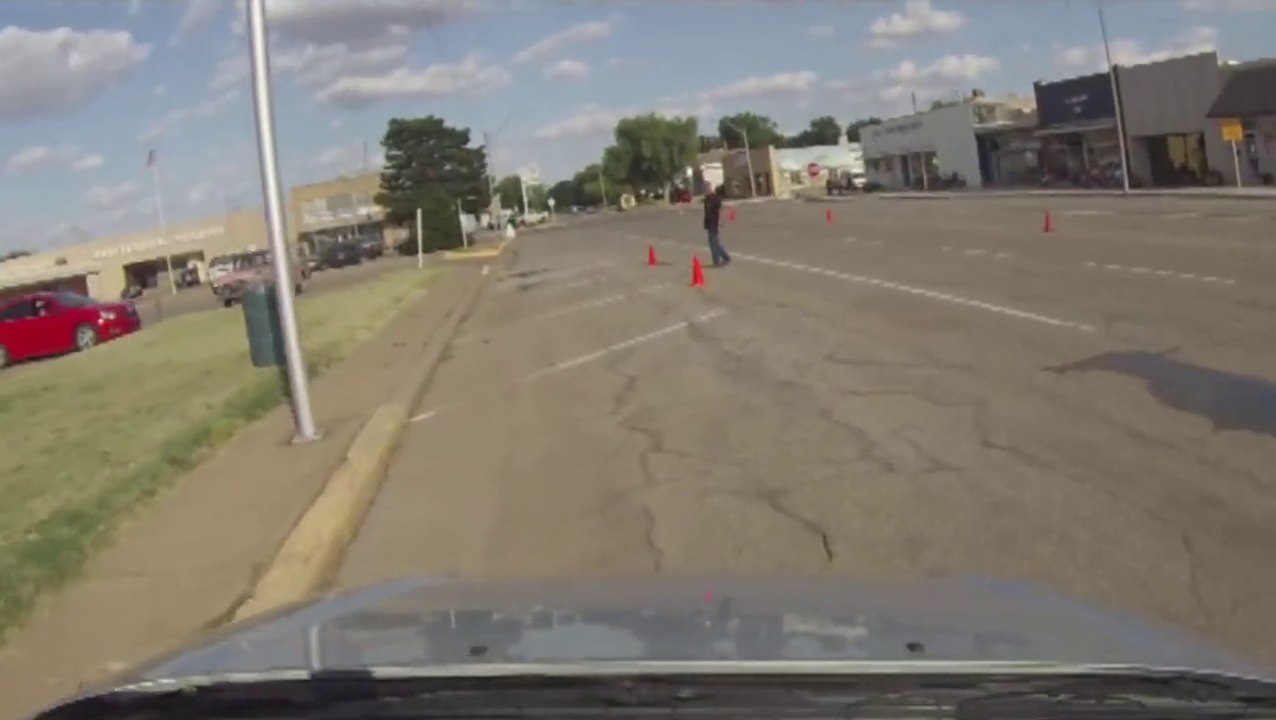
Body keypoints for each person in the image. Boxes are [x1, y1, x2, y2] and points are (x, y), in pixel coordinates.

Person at [703, 184, 730, 267]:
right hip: (709, 223)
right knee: (714, 243)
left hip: (715, 222)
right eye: (705, 189)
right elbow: (706, 212)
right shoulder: (706, 199)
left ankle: (717, 261)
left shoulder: (715, 199)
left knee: (714, 243)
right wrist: (705, 222)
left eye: (707, 189)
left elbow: (719, 211)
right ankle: (725, 257)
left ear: (710, 189)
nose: (705, 191)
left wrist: (720, 221)